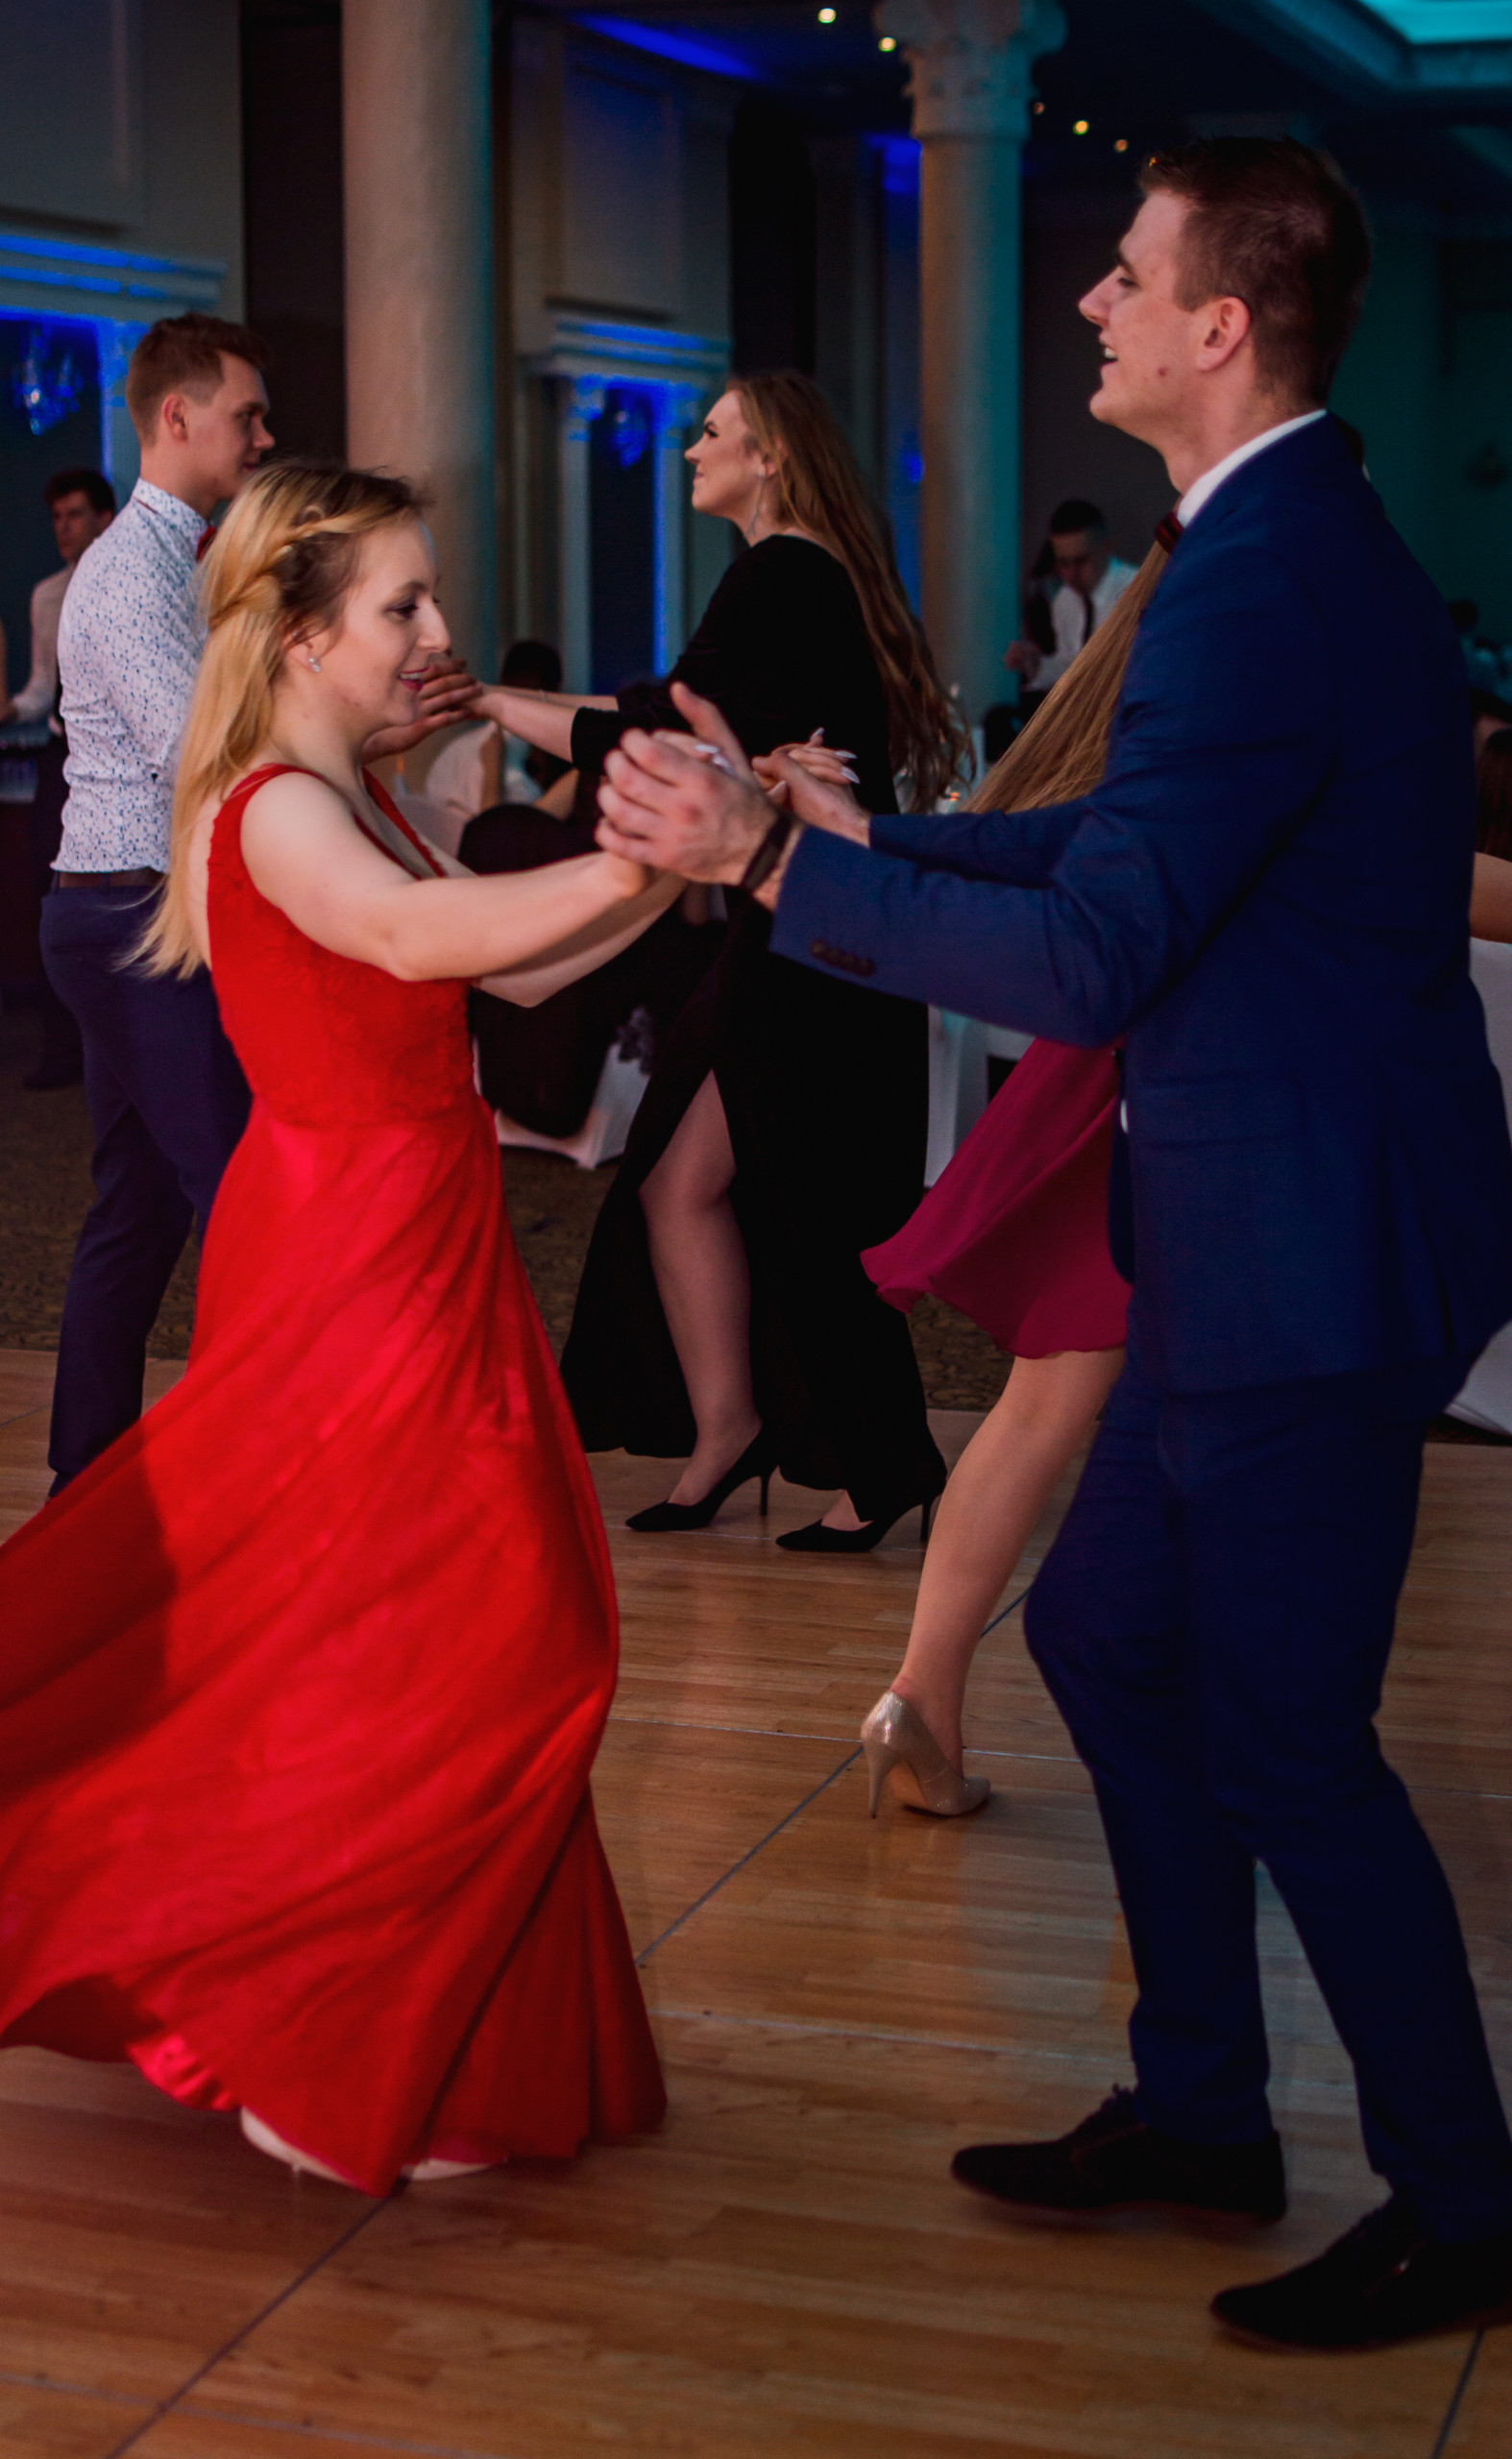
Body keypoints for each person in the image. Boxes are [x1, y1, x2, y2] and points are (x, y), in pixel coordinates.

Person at [592, 138, 1512, 2351]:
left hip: (1308, 1240)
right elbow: (1134, 835)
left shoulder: (1266, 568)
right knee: (1102, 1629)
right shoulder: (1268, 537)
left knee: (1286, 1735)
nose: (1087, 300)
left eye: (1121, 273)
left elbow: (1099, 954)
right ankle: (1198, 2105)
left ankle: (1467, 2201)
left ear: (1219, 325)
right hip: (1249, 1214)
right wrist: (858, 832)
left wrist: (768, 869)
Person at [0, 460, 675, 2192]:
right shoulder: (273, 812)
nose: (435, 629)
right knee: (487, 1631)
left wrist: (694, 867)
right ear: (300, 635)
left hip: (418, 1229)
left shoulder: (348, 791)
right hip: (351, 1249)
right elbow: (418, 934)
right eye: (402, 603)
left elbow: (513, 969)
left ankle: (381, 2026)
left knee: (396, 1636)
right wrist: (655, 852)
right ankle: (316, 2044)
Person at [477, 373, 966, 1548]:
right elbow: (679, 724)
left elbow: (653, 728)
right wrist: (505, 701)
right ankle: (731, 1429)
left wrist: (486, 700)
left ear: (772, 455)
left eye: (712, 432)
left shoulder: (782, 569)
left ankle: (877, 1459)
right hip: (803, 921)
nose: (690, 447)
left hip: (808, 928)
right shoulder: (803, 575)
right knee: (680, 1180)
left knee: (799, 1198)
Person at [41, 314, 471, 1492]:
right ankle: (273, 1477)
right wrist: (365, 737)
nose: (266, 436)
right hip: (134, 917)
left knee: (139, 1207)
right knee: (241, 1193)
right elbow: (210, 757)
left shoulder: (197, 562)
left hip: (138, 908)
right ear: (176, 417)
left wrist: (368, 732)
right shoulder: (128, 575)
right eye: (247, 415)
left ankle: (89, 1483)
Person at [1, 468, 117, 1088]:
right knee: (52, 898)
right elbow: (43, 685)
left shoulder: (130, 584)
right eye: (56, 517)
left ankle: (120, 1048)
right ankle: (61, 1050)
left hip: (120, 760)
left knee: (121, 898)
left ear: (104, 518)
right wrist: (10, 709)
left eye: (74, 514)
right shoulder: (47, 594)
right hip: (60, 755)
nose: (63, 527)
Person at [1003, 499, 1138, 693]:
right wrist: (1037, 665)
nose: (1072, 574)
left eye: (1081, 561)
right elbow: (1070, 667)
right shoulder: (1065, 599)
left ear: (1106, 548)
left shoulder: (1137, 592)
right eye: (1063, 563)